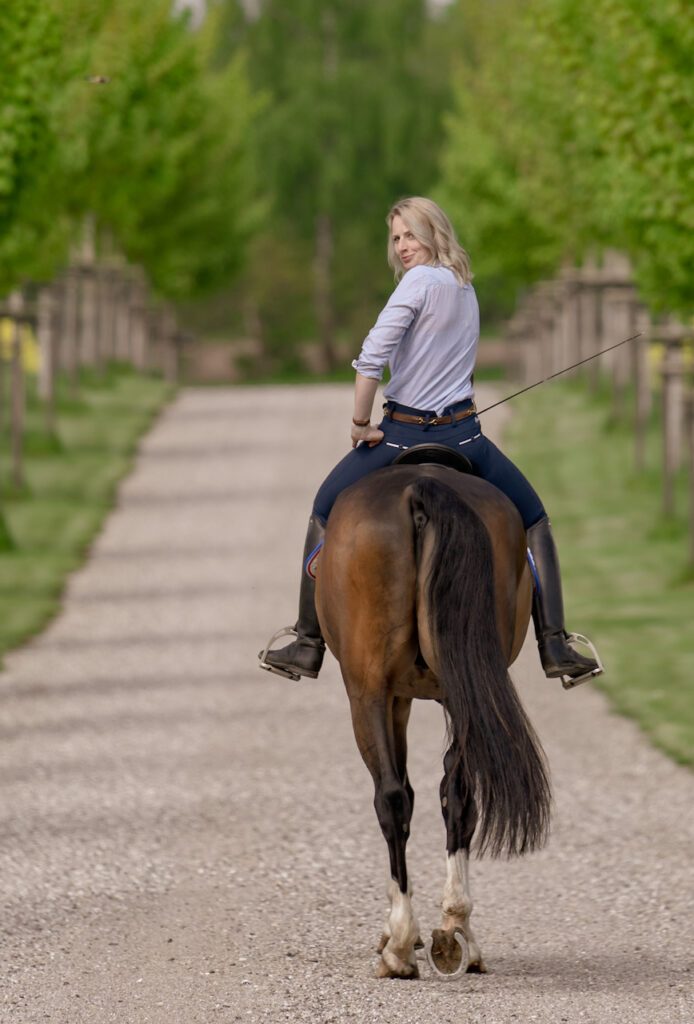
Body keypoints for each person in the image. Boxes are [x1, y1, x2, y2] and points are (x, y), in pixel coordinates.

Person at [260, 196, 600, 685]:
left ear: (434, 233)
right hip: (465, 438)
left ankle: (308, 643)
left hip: (399, 436)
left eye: (411, 235)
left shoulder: (417, 283)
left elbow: (370, 359)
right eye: (396, 238)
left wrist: (360, 424)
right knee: (535, 520)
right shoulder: (465, 286)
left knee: (323, 508)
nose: (401, 246)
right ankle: (554, 644)